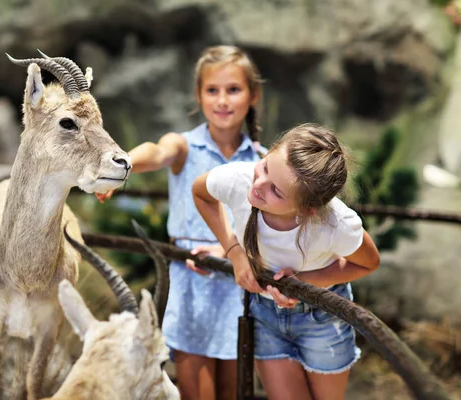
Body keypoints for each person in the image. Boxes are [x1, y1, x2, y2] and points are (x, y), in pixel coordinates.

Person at [96, 45, 266, 400]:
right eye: (212, 90)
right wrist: (123, 163)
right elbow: (156, 152)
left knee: (234, 389)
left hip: (239, 283)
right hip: (192, 284)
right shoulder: (184, 146)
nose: (222, 100)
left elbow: (265, 224)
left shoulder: (262, 161)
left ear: (253, 95)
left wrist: (227, 248)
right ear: (199, 96)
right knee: (195, 390)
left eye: (233, 89)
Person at [192, 123, 381, 400]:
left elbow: (368, 263)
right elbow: (201, 193)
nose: (258, 186)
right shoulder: (239, 178)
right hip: (266, 313)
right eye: (266, 167)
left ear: (307, 209)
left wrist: (305, 282)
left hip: (322, 318)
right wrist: (233, 251)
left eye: (277, 192)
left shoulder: (334, 225)